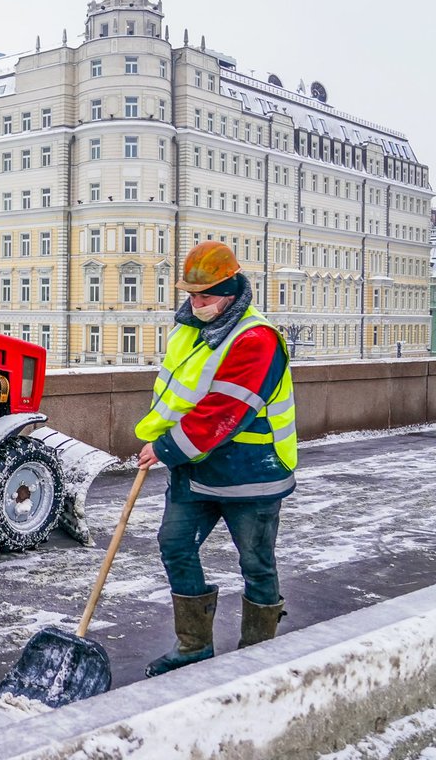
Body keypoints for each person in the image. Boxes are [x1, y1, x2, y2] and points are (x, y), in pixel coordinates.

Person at [135, 240, 297, 677]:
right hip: (196, 469)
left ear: (231, 290)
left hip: (251, 473)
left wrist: (166, 447)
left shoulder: (256, 339)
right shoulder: (188, 330)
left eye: (204, 295)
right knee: (174, 544)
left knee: (256, 564)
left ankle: (257, 653)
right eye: (190, 294)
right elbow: (175, 396)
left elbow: (226, 410)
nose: (196, 302)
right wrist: (155, 434)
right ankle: (193, 646)